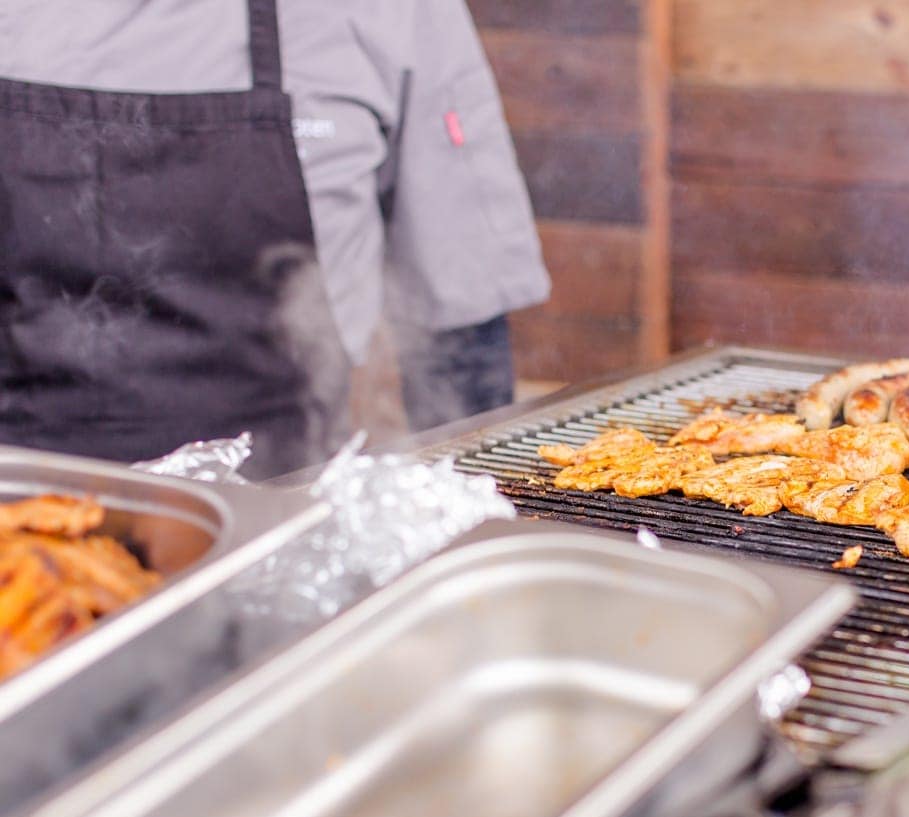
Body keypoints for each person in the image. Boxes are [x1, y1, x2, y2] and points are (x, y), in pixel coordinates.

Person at [0, 0, 549, 477]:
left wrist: (474, 522)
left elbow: (460, 323)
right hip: (19, 509)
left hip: (290, 501)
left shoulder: (391, 12)